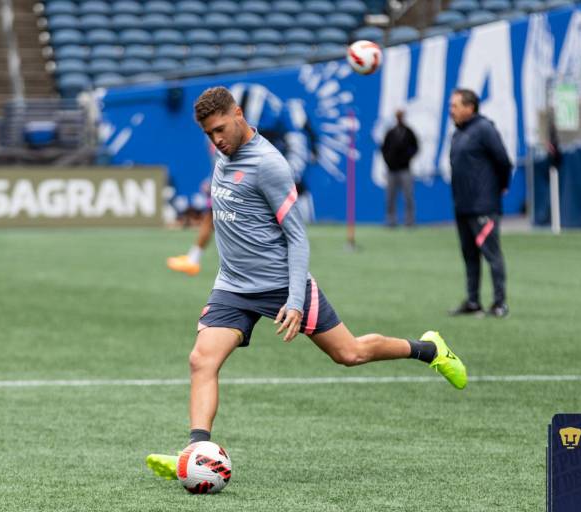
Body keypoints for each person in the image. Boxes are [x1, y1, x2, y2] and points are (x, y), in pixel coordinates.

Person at [146, 87, 467, 484]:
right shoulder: (223, 155)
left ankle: (429, 349)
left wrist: (295, 301)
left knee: (349, 354)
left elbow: (297, 238)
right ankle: (195, 451)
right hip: (232, 285)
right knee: (201, 360)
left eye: (220, 130)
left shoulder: (269, 164)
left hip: (281, 284)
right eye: (209, 134)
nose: (216, 141)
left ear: (239, 114)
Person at [166, 85, 317, 276]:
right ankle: (194, 257)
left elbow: (297, 150)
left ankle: (197, 258)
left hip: (270, 188)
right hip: (247, 183)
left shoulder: (273, 141)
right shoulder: (231, 143)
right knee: (218, 213)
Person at [447, 89, 512, 318]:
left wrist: (501, 186)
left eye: (455, 106)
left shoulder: (484, 129)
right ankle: (473, 301)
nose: (451, 110)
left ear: (469, 107)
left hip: (483, 206)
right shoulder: (458, 133)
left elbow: (504, 161)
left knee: (491, 254)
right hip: (462, 205)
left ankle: (499, 303)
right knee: (469, 255)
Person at [381, 109, 418, 227]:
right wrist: (388, 161)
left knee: (408, 196)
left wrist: (407, 158)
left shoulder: (408, 132)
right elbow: (384, 148)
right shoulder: (390, 132)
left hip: (405, 169)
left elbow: (415, 147)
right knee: (390, 196)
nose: (399, 119)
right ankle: (391, 220)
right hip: (392, 169)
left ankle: (409, 221)